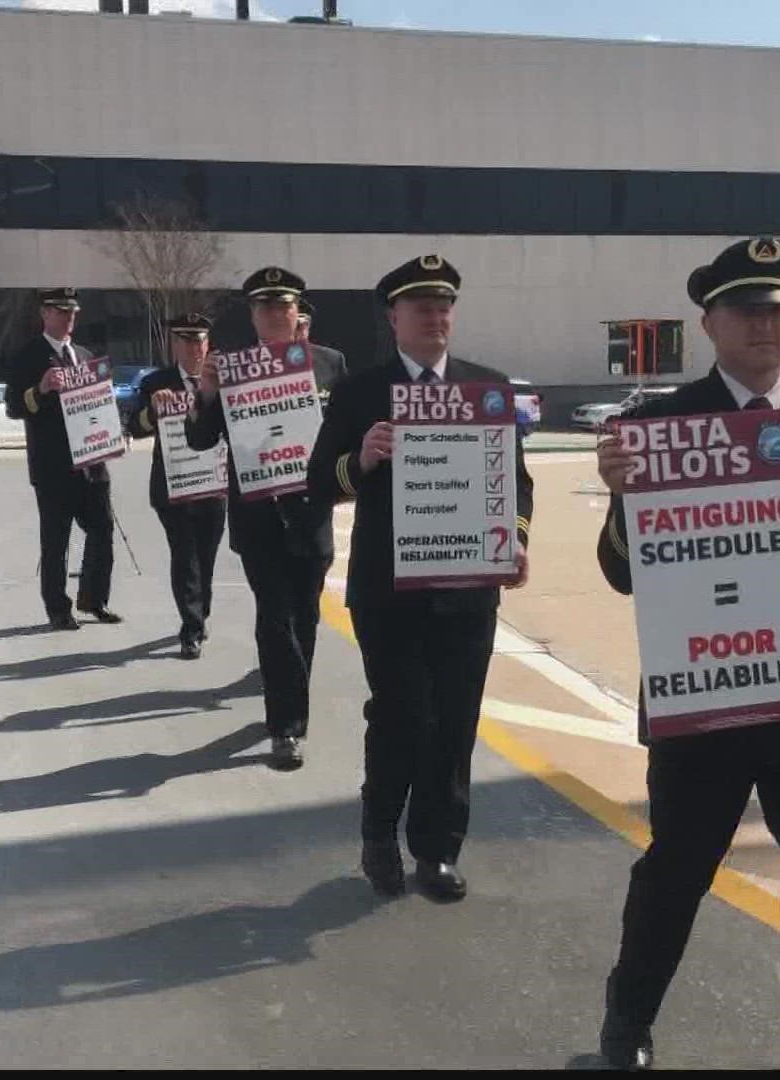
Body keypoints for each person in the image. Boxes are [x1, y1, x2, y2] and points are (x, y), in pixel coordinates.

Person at [591, 237, 780, 1070]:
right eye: (746, 309)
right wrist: (622, 500)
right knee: (676, 875)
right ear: (709, 323)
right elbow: (620, 574)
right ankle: (628, 1026)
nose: (765, 324)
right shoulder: (656, 428)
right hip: (705, 702)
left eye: (778, 309)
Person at [308, 254, 533, 902]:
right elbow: (319, 481)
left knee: (455, 722)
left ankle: (436, 851)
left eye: (444, 306)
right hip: (389, 593)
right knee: (402, 717)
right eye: (421, 306)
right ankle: (379, 830)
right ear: (394, 316)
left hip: (467, 593)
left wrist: (514, 540)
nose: (435, 316)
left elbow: (516, 482)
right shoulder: (360, 392)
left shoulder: (487, 389)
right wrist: (362, 458)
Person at [186, 266, 348, 771]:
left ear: (298, 313)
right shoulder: (230, 367)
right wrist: (208, 394)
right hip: (257, 518)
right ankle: (287, 726)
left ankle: (288, 698)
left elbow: (345, 432)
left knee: (306, 617)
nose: (276, 314)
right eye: (265, 307)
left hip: (310, 514)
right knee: (274, 619)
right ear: (254, 316)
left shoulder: (329, 363)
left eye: (284, 306)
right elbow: (199, 439)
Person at [1, 287, 120, 631]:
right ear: (45, 314)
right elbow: (13, 406)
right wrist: (39, 390)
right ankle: (57, 608)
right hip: (53, 466)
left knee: (102, 530)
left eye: (73, 312)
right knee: (56, 541)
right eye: (60, 311)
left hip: (92, 463)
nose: (68, 317)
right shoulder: (28, 355)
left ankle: (94, 598)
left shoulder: (83, 355)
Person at [127, 312, 228, 660]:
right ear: (174, 344)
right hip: (173, 486)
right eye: (186, 340)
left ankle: (201, 613)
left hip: (214, 484)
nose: (194, 348)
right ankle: (191, 627)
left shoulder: (222, 379)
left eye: (199, 340)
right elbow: (135, 427)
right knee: (185, 556)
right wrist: (152, 412)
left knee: (206, 557)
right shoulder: (157, 381)